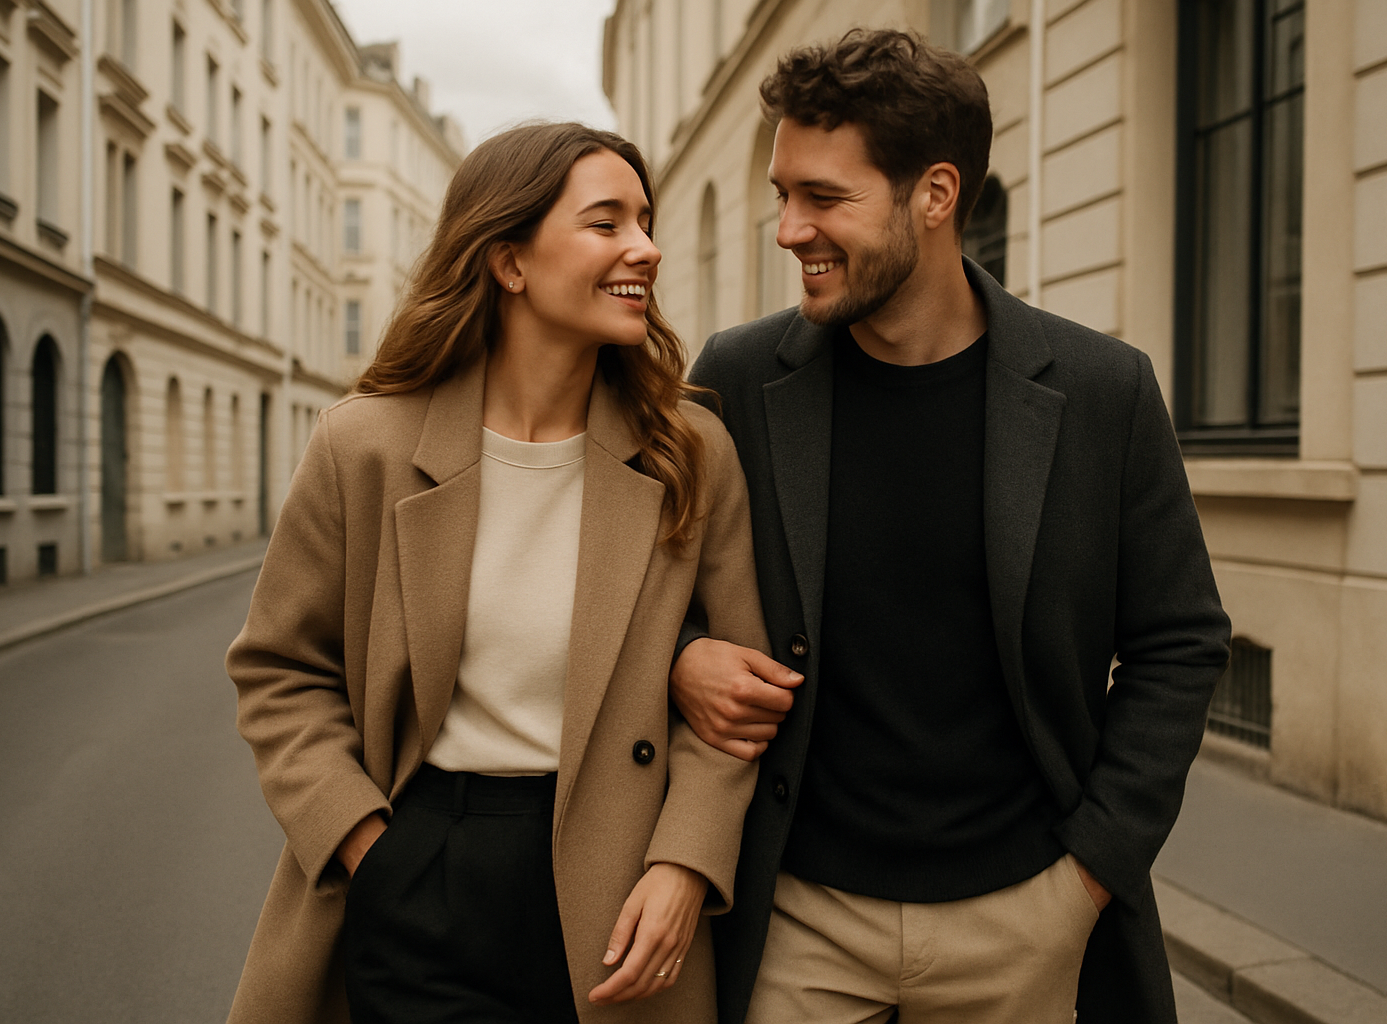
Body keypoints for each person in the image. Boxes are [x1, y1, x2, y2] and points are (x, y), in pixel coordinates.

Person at [669, 29, 1233, 1024]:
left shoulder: (1105, 390)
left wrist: (1086, 880)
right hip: (800, 920)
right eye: (781, 194)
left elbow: (1179, 641)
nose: (788, 229)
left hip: (1023, 921)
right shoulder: (738, 378)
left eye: (823, 198)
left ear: (934, 195)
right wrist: (684, 662)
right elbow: (648, 591)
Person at [225, 121, 769, 1024]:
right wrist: (368, 846)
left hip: (621, 880)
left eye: (645, 219)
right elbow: (280, 673)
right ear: (508, 261)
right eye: (607, 223)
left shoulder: (689, 453)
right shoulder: (364, 447)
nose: (647, 247)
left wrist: (685, 863)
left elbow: (738, 704)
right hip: (424, 863)